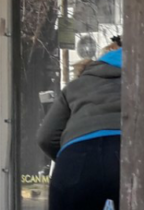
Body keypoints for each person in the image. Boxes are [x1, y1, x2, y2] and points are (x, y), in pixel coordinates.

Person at [37, 43, 122, 210]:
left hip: (75, 159)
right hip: (123, 154)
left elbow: (45, 137)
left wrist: (72, 157)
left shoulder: (75, 87)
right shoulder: (143, 83)